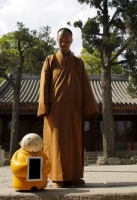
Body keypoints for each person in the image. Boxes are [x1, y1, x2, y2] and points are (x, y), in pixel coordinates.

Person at [37, 28, 99, 188]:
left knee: (74, 142)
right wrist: (45, 107)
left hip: (74, 111)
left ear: (71, 41)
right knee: (57, 143)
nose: (64, 43)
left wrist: (88, 108)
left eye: (67, 40)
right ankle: (57, 177)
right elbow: (44, 85)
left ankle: (74, 176)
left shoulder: (78, 63)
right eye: (61, 40)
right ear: (56, 40)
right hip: (55, 111)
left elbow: (85, 85)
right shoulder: (50, 60)